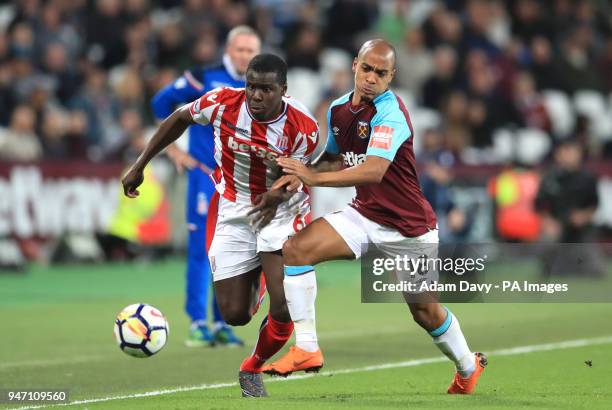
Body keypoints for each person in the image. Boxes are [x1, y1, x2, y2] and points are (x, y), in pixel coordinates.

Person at [264, 39, 487, 395]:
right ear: (355, 65)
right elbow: (334, 159)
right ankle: (306, 347)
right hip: (365, 215)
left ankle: (467, 366)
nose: (371, 78)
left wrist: (314, 178)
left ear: (391, 76)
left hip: (409, 229)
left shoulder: (391, 114)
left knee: (425, 313)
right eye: (366, 69)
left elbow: (374, 171)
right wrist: (300, 172)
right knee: (296, 250)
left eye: (381, 73)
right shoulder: (338, 110)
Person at [122, 54, 320, 398]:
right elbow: (179, 117)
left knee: (283, 305)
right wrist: (141, 164)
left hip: (282, 211)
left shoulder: (303, 126)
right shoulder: (224, 102)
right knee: (234, 315)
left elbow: (303, 173)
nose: (256, 96)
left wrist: (276, 194)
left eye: (266, 89)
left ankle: (253, 366)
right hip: (234, 208)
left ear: (283, 90)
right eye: (251, 87)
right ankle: (257, 272)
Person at [151, 26, 260, 347]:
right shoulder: (204, 77)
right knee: (201, 249)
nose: (245, 56)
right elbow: (162, 103)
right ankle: (198, 322)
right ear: (229, 50)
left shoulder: (261, 85)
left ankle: (220, 323)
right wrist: (173, 149)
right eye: (240, 49)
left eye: (251, 50)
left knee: (234, 252)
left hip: (240, 183)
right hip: (205, 175)